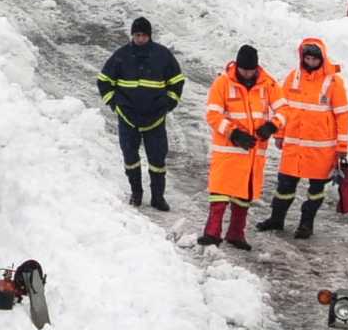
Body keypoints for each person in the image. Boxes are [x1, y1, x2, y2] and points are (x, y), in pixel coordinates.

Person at [263, 36, 348, 238]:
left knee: (316, 190)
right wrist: (280, 134)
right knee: (284, 186)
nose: (311, 63)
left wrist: (342, 146)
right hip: (294, 146)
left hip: (321, 149)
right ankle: (276, 219)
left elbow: (343, 115)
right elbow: (282, 108)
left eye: (314, 59)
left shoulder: (333, 82)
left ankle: (306, 224)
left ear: (322, 59)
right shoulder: (293, 77)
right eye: (307, 59)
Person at [97, 16, 185, 211]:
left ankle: (157, 197)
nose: (140, 39)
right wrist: (114, 104)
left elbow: (177, 81)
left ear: (149, 36)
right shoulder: (121, 56)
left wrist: (168, 104)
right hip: (128, 118)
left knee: (157, 160)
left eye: (144, 35)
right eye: (137, 35)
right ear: (132, 35)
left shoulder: (163, 55)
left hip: (155, 119)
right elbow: (103, 81)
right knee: (130, 157)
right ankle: (136, 193)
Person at [201, 44, 281, 248]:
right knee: (220, 192)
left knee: (243, 196)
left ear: (256, 67)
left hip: (252, 152)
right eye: (243, 69)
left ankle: (236, 233)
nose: (247, 73)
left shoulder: (268, 84)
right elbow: (213, 115)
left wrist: (272, 126)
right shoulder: (222, 83)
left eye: (250, 70)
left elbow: (284, 110)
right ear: (237, 66)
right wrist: (233, 133)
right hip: (228, 149)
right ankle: (212, 233)